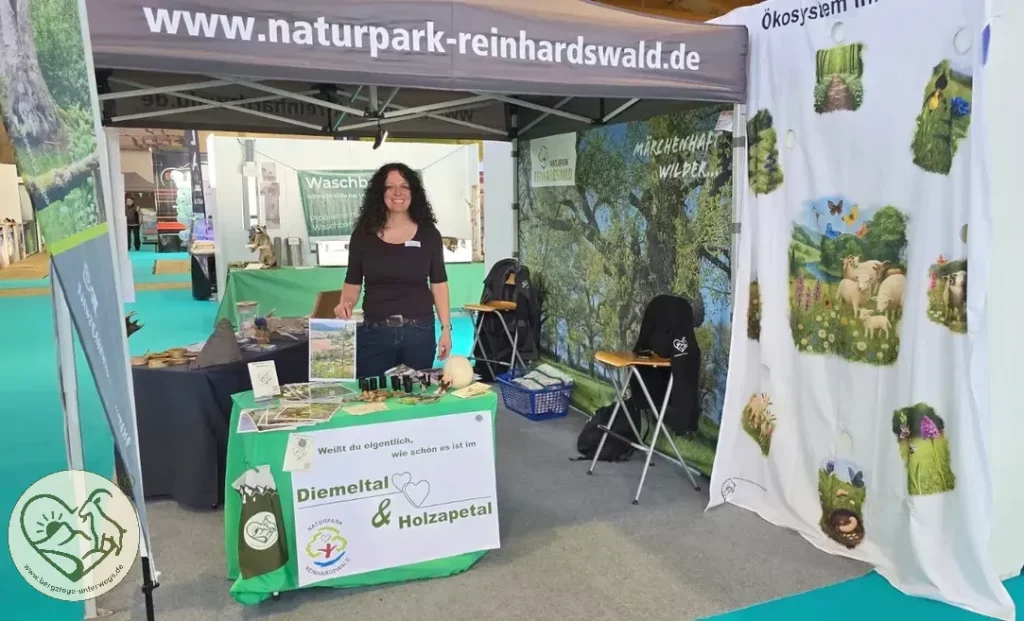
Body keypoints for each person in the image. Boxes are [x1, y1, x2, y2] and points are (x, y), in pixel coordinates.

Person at [334, 163, 452, 377]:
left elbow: (439, 283)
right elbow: (352, 281)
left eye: (404, 186)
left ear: (413, 192)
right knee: (373, 400)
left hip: (419, 332)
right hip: (375, 333)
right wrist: (346, 303)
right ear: (380, 193)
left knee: (417, 399)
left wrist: (446, 329)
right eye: (389, 187)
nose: (397, 193)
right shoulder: (363, 235)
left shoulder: (429, 234)